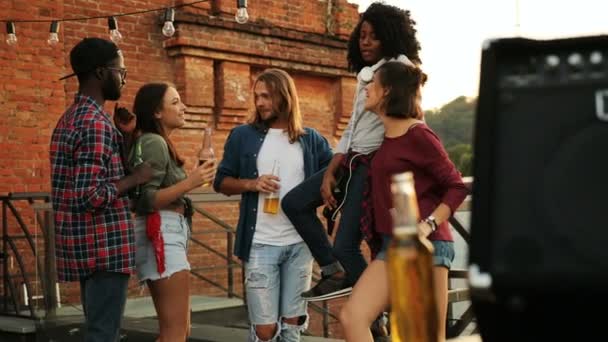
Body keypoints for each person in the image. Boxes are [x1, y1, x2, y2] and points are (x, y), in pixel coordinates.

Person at [282, 2, 423, 302]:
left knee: (346, 246)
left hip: (372, 166)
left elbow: (413, 123)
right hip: (351, 160)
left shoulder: (401, 70)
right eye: (362, 35)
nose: (366, 41)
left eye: (374, 35)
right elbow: (351, 129)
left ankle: (374, 318)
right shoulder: (367, 75)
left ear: (390, 36)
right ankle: (333, 273)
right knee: (294, 202)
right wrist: (332, 170)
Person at [339, 61, 469, 342]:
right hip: (392, 246)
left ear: (387, 91)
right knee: (353, 317)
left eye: (372, 84)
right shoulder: (386, 137)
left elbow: (456, 187)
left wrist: (428, 224)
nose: (365, 89)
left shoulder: (419, 135)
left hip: (428, 246)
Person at [214, 68, 333, 342]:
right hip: (260, 244)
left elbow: (334, 173)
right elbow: (221, 182)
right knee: (265, 331)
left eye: (266, 96)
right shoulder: (242, 135)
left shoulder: (311, 140)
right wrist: (252, 184)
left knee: (292, 328)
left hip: (300, 245)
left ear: (284, 96)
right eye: (257, 96)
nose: (259, 103)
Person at [50, 37, 153, 342]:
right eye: (121, 71)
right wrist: (137, 177)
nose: (123, 78)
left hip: (88, 247)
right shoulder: (94, 123)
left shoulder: (73, 118)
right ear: (100, 72)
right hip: (103, 248)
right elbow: (90, 195)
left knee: (100, 330)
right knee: (103, 334)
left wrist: (124, 138)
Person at [129, 82, 217, 342]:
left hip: (166, 232)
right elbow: (145, 200)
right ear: (157, 112)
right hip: (161, 232)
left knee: (177, 330)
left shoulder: (154, 141)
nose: (183, 107)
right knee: (175, 333)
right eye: (175, 102)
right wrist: (191, 181)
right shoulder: (154, 141)